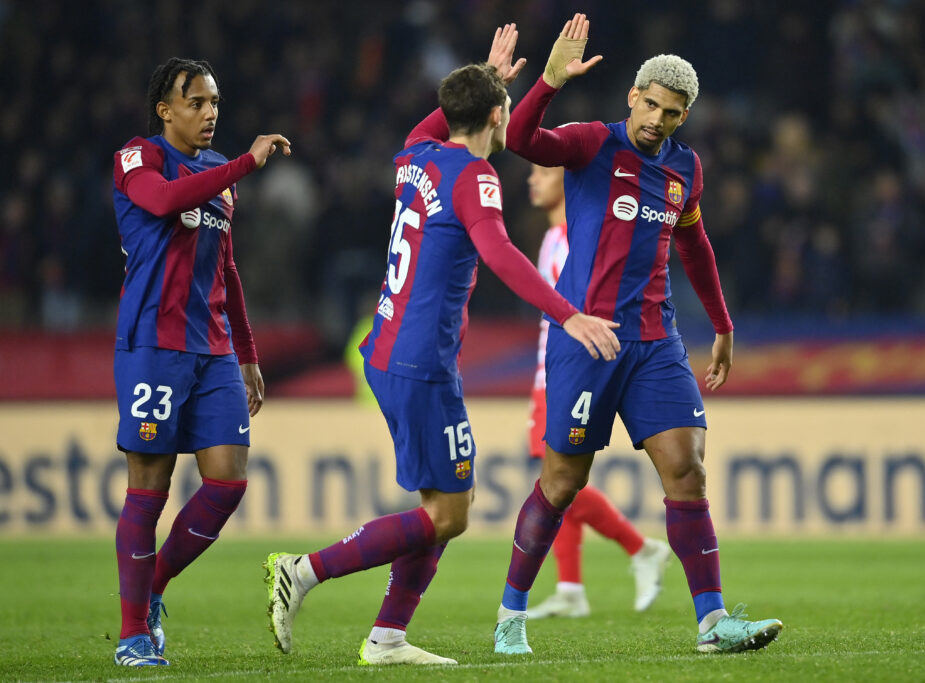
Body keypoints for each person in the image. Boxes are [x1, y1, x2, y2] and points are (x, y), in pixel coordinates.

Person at [263, 25, 619, 667]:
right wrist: (568, 314)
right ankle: (304, 570)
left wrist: (486, 75)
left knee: (446, 505)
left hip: (392, 349)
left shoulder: (415, 153)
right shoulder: (476, 176)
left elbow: (446, 119)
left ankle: (387, 637)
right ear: (497, 114)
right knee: (450, 514)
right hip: (420, 360)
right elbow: (501, 254)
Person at [493, 15, 783, 655]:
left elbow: (696, 245)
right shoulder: (592, 143)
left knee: (687, 469)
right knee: (563, 482)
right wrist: (547, 81)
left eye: (672, 112)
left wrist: (724, 324)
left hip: (656, 342)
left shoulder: (685, 170)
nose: (658, 119)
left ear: (685, 117)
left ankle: (712, 624)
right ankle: (511, 614)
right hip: (586, 338)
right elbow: (518, 137)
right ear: (633, 95)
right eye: (651, 104)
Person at [111, 58, 291, 667]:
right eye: (197, 102)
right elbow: (161, 203)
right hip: (154, 345)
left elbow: (228, 270)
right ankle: (133, 634)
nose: (210, 111)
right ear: (165, 109)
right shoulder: (139, 157)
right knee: (150, 488)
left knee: (228, 481)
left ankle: (153, 587)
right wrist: (244, 162)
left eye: (215, 101)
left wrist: (247, 354)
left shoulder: (218, 175)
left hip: (212, 349)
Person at [524, 163, 671, 619]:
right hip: (548, 371)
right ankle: (570, 588)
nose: (533, 179)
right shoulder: (552, 236)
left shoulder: (573, 238)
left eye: (542, 173)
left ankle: (640, 547)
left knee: (556, 480)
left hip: (567, 373)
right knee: (554, 479)